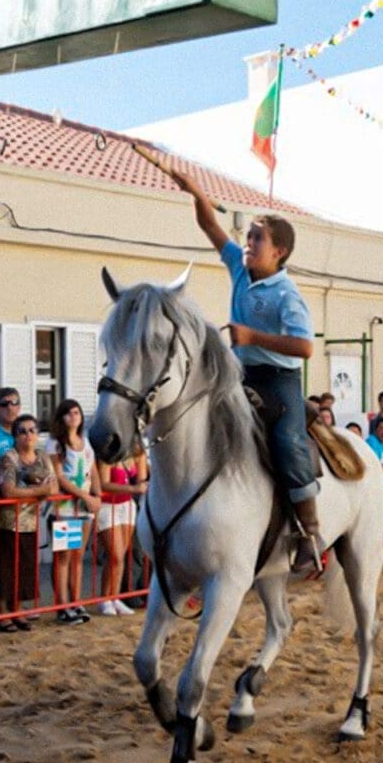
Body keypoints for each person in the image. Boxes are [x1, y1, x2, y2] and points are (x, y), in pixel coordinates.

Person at [168, 164, 323, 575]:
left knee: (287, 441)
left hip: (280, 380)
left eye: (258, 239)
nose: (249, 243)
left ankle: (310, 530)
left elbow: (305, 346)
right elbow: (210, 225)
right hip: (239, 375)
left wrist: (253, 337)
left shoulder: (288, 295)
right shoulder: (239, 264)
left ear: (280, 252)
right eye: (249, 236)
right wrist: (194, 191)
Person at [0, 414, 55, 633]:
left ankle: (17, 610)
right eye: (22, 431)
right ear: (15, 436)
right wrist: (40, 491)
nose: (28, 435)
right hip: (9, 521)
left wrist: (32, 493)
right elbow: (9, 490)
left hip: (31, 520)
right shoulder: (9, 457)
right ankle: (2, 612)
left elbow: (55, 487)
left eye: (32, 430)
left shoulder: (42, 456)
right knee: (6, 568)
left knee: (25, 568)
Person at [46, 400, 101, 626]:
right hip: (65, 508)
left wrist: (97, 495)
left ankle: (76, 601)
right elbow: (60, 476)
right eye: (68, 413)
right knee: (64, 557)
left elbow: (93, 471)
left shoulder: (85, 442)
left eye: (77, 412)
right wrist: (85, 496)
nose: (73, 416)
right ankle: (63, 604)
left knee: (78, 556)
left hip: (83, 509)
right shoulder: (55, 444)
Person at [97, 444, 148, 617]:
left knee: (122, 555)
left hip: (127, 505)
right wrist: (133, 489)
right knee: (115, 554)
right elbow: (104, 484)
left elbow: (141, 479)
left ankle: (115, 596)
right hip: (107, 506)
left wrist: (139, 485)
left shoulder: (136, 452)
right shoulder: (107, 454)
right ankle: (105, 598)